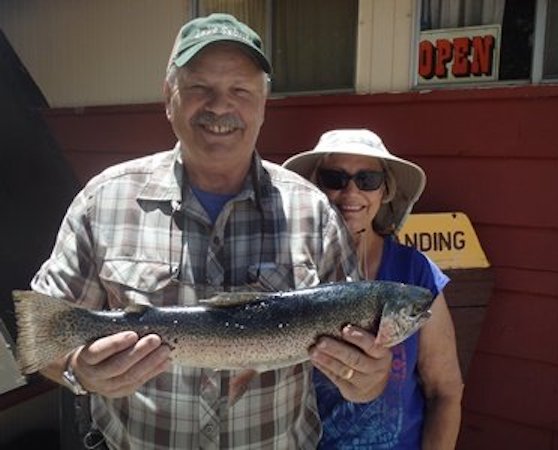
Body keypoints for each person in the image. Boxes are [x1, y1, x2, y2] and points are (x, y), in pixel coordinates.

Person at [28, 15, 393, 450]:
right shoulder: (103, 201)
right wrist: (77, 370)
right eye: (200, 87)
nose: (220, 107)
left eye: (240, 90)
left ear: (262, 105)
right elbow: (42, 334)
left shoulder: (312, 212)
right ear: (169, 97)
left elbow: (360, 373)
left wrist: (368, 378)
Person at [283, 129, 464, 449]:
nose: (351, 192)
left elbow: (445, 391)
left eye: (367, 180)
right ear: (315, 186)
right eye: (334, 178)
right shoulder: (288, 271)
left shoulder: (415, 274)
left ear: (386, 190)